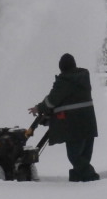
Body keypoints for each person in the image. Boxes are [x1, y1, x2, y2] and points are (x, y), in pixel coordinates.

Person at [29, 53, 100, 182]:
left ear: (61, 68)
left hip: (75, 125)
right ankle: (79, 179)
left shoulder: (65, 80)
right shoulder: (83, 77)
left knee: (74, 155)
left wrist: (39, 108)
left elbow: (52, 101)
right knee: (84, 155)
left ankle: (91, 178)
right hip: (88, 123)